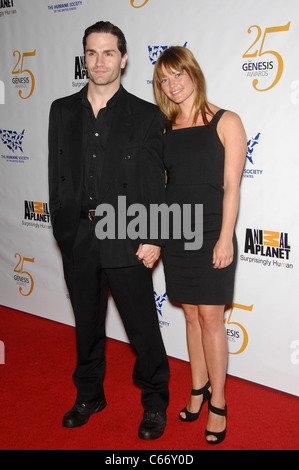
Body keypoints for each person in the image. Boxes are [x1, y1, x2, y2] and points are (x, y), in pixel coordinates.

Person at [48, 21, 169, 440]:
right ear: (85, 57)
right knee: (86, 324)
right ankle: (89, 395)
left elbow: (155, 182)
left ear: (124, 57)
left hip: (128, 234)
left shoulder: (147, 115)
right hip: (78, 236)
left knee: (141, 327)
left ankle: (155, 400)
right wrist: (62, 228)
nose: (99, 62)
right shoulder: (62, 110)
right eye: (92, 53)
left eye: (108, 53)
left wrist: (153, 236)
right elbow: (57, 174)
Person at [153, 46, 246, 444]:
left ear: (193, 74)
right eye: (164, 80)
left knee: (211, 318)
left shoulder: (227, 121)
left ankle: (219, 402)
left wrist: (225, 238)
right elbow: (162, 186)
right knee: (190, 316)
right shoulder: (164, 128)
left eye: (178, 75)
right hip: (177, 232)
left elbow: (232, 188)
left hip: (212, 232)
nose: (172, 85)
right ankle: (197, 387)